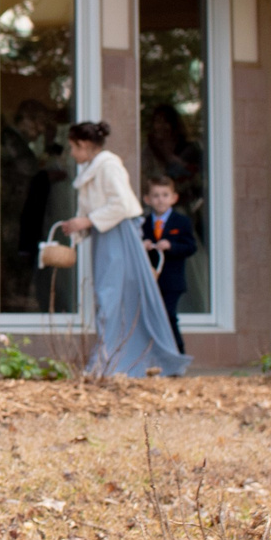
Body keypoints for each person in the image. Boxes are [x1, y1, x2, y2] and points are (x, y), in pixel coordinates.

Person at [56, 121, 190, 378]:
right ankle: (110, 358)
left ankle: (116, 360)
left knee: (113, 297)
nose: (72, 153)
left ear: (84, 145)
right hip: (105, 236)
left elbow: (121, 203)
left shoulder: (109, 166)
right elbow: (94, 207)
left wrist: (88, 221)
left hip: (118, 236)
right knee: (108, 297)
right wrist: (80, 225)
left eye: (73, 147)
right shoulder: (93, 168)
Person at [140, 177, 200, 354]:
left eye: (165, 195)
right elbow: (133, 249)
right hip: (150, 278)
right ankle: (154, 353)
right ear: (147, 199)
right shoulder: (143, 223)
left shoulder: (181, 222)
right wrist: (142, 246)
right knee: (150, 316)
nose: (160, 199)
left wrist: (171, 246)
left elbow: (191, 247)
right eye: (156, 195)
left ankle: (177, 351)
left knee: (167, 314)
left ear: (174, 198)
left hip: (172, 280)